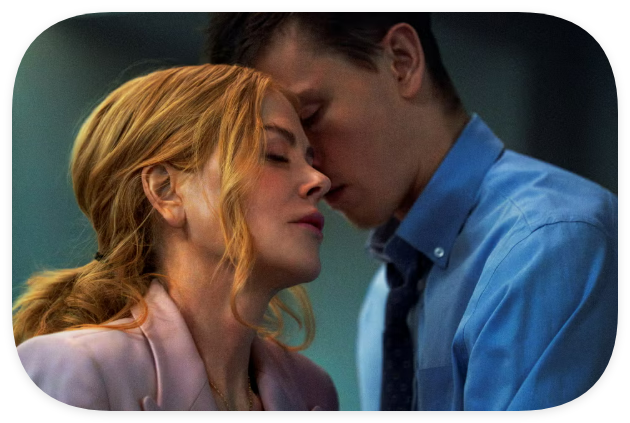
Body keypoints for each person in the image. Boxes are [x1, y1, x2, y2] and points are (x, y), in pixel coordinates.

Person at [205, 12, 618, 411]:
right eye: (277, 149)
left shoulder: (550, 242)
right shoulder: (383, 299)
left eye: (311, 117)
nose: (311, 172)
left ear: (401, 60)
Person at [14, 64, 339, 411]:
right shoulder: (77, 369)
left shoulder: (314, 391)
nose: (319, 180)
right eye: (275, 154)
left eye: (310, 160)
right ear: (166, 190)